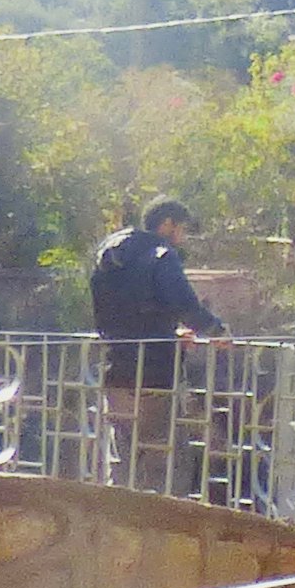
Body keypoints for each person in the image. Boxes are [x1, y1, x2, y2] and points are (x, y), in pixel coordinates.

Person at [88, 200, 227, 493]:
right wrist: (216, 331)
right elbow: (186, 305)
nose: (183, 237)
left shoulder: (110, 253)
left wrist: (169, 334)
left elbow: (124, 314)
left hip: (113, 370)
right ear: (167, 224)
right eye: (182, 229)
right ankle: (163, 530)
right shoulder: (162, 256)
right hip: (153, 375)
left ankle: (116, 522)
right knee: (168, 461)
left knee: (121, 458)